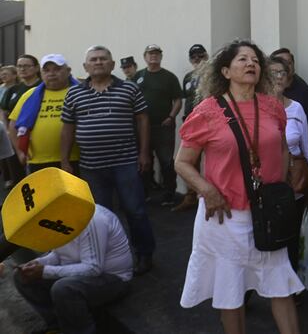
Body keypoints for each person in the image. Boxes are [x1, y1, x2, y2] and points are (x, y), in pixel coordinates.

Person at [174, 40, 302, 334]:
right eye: (243, 59)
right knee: (230, 293)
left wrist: (277, 189)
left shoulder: (272, 106)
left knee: (280, 286)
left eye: (255, 60)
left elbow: (281, 148)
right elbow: (182, 162)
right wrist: (207, 191)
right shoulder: (207, 111)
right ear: (225, 71)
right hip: (225, 217)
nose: (251, 64)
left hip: (267, 214)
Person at [61, 45, 156, 276]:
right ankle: (108, 258)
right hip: (91, 166)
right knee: (100, 216)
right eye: (93, 59)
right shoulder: (74, 94)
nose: (98, 62)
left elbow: (143, 120)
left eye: (103, 59)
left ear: (112, 65)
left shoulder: (129, 89)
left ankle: (144, 254)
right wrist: (64, 160)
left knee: (135, 210)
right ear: (85, 66)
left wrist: (144, 153)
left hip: (125, 162)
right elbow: (67, 128)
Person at [7, 204, 133, 334]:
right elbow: (58, 254)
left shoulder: (93, 219)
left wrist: (44, 271)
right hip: (82, 270)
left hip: (114, 279)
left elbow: (93, 268)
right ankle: (56, 325)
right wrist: (38, 263)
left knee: (63, 288)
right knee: (20, 276)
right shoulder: (58, 218)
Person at [268, 55, 308, 282]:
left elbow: (306, 147)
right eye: (272, 72)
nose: (278, 77)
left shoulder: (296, 108)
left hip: (294, 182)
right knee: (264, 235)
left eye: (282, 73)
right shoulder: (255, 109)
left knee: (291, 236)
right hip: (267, 184)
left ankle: (291, 284)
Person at [8, 54, 80, 174]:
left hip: (75, 160)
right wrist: (20, 152)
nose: (51, 74)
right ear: (41, 73)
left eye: (57, 69)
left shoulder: (80, 93)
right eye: (46, 70)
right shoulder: (30, 95)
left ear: (68, 71)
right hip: (37, 161)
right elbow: (13, 124)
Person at [134, 44, 183, 206]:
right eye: (150, 54)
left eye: (156, 54)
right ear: (145, 57)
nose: (153, 56)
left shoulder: (169, 77)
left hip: (163, 126)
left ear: (161, 57)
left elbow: (177, 100)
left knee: (167, 161)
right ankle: (144, 193)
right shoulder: (138, 76)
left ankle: (169, 194)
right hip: (142, 127)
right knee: (144, 159)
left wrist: (171, 116)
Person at [173, 43, 210, 212]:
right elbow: (186, 99)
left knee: (210, 160)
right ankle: (191, 196)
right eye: (194, 57)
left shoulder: (213, 74)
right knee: (189, 161)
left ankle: (208, 195)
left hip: (209, 122)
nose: (197, 60)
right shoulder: (188, 77)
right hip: (191, 122)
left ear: (206, 56)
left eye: (201, 56)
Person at [270, 48, 308, 149]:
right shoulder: (261, 95)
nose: (285, 66)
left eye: (288, 63)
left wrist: (305, 150)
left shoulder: (305, 91)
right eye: (280, 63)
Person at [0, 55, 42, 188]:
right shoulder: (13, 90)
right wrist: (6, 128)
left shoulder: (41, 87)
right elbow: (4, 110)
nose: (22, 69)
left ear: (36, 68)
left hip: (35, 140)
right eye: (19, 66)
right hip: (14, 138)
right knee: (18, 178)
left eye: (26, 66)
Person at [0, 64, 19, 188]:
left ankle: (15, 178)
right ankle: (7, 177)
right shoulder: (1, 88)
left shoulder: (17, 89)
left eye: (6, 74)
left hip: (13, 123)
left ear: (14, 75)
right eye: (2, 74)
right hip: (3, 123)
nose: (3, 76)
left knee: (12, 154)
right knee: (4, 154)